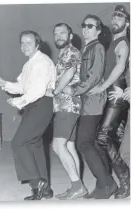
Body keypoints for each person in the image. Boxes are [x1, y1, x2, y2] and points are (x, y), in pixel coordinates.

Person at [0, 30, 56, 200]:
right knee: (33, 144)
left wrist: (17, 102)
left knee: (18, 143)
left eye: (28, 42)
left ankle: (37, 184)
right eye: (22, 43)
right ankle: (45, 189)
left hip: (41, 104)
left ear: (38, 44)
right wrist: (6, 84)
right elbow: (22, 86)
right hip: (34, 105)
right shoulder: (30, 63)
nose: (24, 46)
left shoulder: (42, 62)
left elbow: (37, 91)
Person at [63, 15, 117, 199]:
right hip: (86, 100)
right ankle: (103, 185)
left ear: (98, 30)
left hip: (93, 100)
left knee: (83, 143)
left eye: (90, 26)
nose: (85, 29)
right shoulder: (87, 48)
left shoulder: (98, 47)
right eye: (83, 25)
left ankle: (108, 183)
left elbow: (94, 76)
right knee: (92, 143)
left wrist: (75, 90)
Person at [89, 5, 130, 199]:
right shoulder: (111, 43)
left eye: (120, 17)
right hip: (112, 93)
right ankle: (109, 180)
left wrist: (104, 86)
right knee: (104, 139)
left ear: (127, 23)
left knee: (103, 137)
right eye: (114, 16)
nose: (115, 19)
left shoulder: (123, 43)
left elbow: (121, 67)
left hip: (116, 93)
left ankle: (124, 179)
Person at [46, 23, 88, 200]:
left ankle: (78, 186)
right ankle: (77, 187)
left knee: (57, 145)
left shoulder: (71, 51)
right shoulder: (64, 53)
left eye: (62, 33)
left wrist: (55, 91)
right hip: (69, 105)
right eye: (56, 34)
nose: (58, 36)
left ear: (70, 36)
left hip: (67, 105)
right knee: (69, 146)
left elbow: (70, 73)